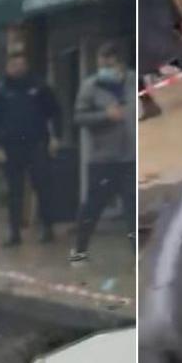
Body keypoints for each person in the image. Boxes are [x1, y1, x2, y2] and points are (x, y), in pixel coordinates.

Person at [70, 41, 136, 264]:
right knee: (92, 207)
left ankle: (137, 254)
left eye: (110, 64)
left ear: (120, 64)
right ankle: (79, 251)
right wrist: (105, 116)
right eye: (102, 64)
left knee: (131, 207)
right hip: (102, 159)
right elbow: (79, 118)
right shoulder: (90, 86)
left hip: (130, 156)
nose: (105, 69)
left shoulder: (132, 81)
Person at [0, 52, 62, 246]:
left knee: (43, 187)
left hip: (36, 144)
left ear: (26, 66)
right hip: (11, 148)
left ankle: (48, 228)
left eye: (21, 64)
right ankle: (14, 233)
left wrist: (56, 137)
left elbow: (54, 112)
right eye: (14, 65)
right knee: (14, 191)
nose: (18, 68)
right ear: (7, 67)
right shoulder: (1, 91)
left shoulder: (39, 87)